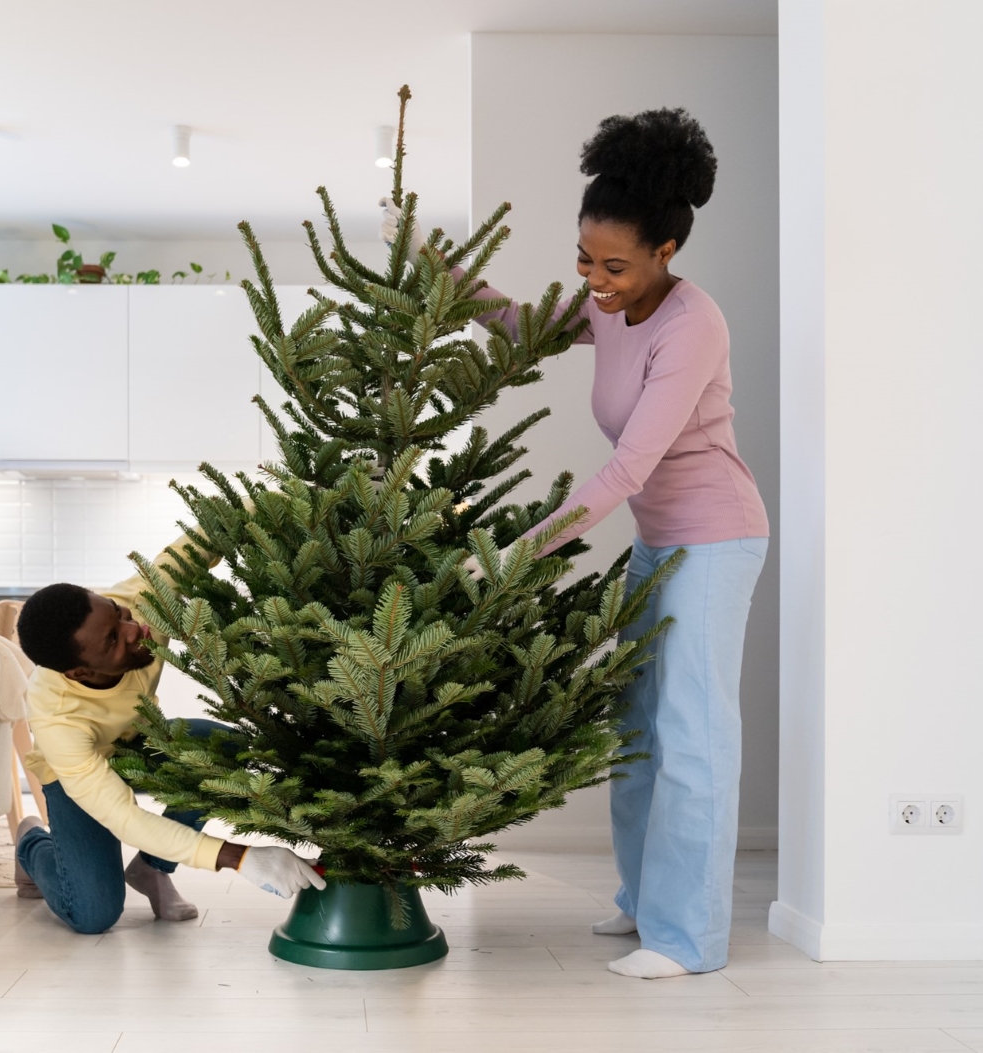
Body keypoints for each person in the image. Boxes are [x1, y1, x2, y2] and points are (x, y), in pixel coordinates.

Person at [381, 108, 768, 979]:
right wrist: (448, 276)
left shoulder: (691, 324)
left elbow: (632, 466)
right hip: (658, 542)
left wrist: (526, 545)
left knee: (694, 733)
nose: (595, 280)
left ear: (667, 251)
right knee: (633, 728)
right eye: (584, 261)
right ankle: (642, 904)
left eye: (615, 265)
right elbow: (525, 325)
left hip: (716, 539)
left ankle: (688, 937)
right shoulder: (614, 303)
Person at [14, 536, 325, 934]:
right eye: (113, 640)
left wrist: (305, 494)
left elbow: (205, 536)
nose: (134, 630)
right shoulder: (57, 718)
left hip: (139, 739)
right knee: (93, 915)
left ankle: (151, 868)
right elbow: (124, 816)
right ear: (81, 673)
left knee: (224, 746)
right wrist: (240, 857)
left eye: (118, 613)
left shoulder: (144, 598)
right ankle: (31, 843)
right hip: (77, 775)